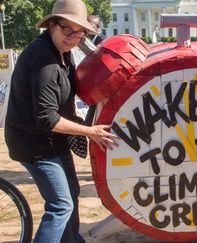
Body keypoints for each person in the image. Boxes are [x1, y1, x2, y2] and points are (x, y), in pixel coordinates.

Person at [4, 0, 118, 242]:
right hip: (35, 144)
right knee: (60, 205)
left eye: (79, 32)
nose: (73, 37)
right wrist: (90, 131)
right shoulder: (43, 59)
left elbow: (75, 90)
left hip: (55, 141)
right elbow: (47, 118)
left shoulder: (62, 53)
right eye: (67, 30)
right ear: (52, 26)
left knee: (72, 194)